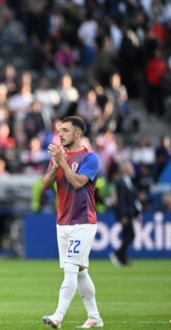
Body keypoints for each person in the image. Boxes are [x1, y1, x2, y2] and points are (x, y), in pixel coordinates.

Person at [41, 116, 104, 329]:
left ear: (78, 133)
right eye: (60, 130)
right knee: (79, 271)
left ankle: (58, 316)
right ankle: (94, 317)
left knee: (70, 268)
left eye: (66, 130)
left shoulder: (90, 158)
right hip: (63, 221)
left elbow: (77, 183)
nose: (61, 134)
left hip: (83, 221)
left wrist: (63, 163)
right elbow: (44, 185)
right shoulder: (59, 155)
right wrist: (54, 166)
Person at [110, 161, 140, 267]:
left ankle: (122, 258)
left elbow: (132, 200)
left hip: (130, 213)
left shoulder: (129, 181)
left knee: (128, 235)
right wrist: (123, 216)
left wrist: (137, 213)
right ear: (125, 169)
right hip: (125, 214)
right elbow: (121, 200)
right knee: (130, 234)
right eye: (130, 167)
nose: (132, 169)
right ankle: (117, 254)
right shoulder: (120, 182)